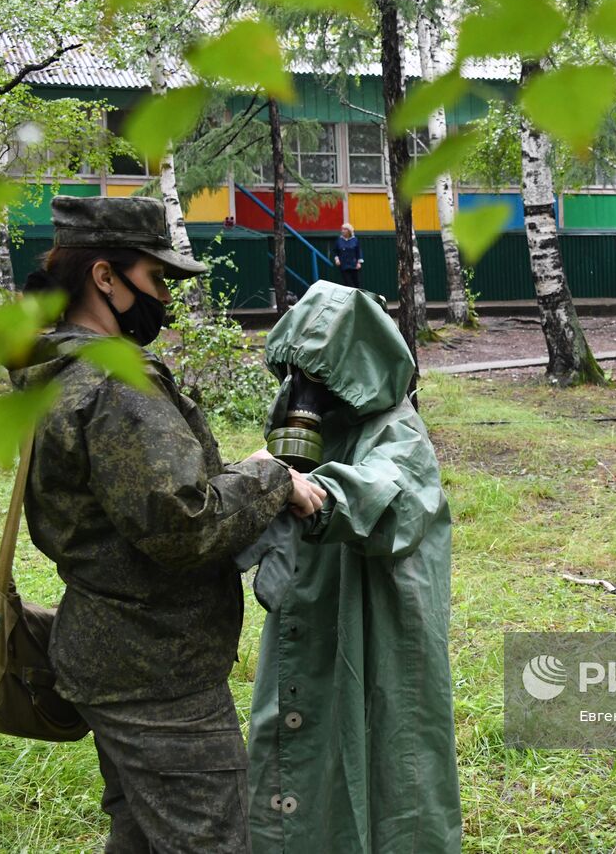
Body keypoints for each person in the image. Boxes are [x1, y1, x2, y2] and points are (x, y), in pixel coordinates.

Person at [13, 196, 326, 854]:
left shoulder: (54, 364)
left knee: (141, 833)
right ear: (105, 276)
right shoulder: (115, 383)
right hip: (157, 672)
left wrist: (245, 470)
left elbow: (129, 499)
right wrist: (274, 480)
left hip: (107, 650)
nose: (163, 296)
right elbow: (182, 524)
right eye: (155, 279)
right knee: (212, 839)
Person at [245, 280, 462, 853]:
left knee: (390, 762)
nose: (307, 392)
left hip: (380, 628)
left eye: (321, 373)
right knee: (302, 743)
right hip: (310, 614)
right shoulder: (309, 427)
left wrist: (308, 491)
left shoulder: (397, 431)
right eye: (300, 374)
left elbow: (383, 497)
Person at [330, 222, 364, 288]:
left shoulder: (354, 240)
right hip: (344, 265)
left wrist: (359, 263)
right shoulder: (339, 240)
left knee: (356, 283)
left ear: (349, 231)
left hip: (354, 265)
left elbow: (358, 251)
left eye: (345, 229)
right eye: (342, 229)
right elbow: (335, 251)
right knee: (348, 283)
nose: (342, 231)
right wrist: (337, 259)